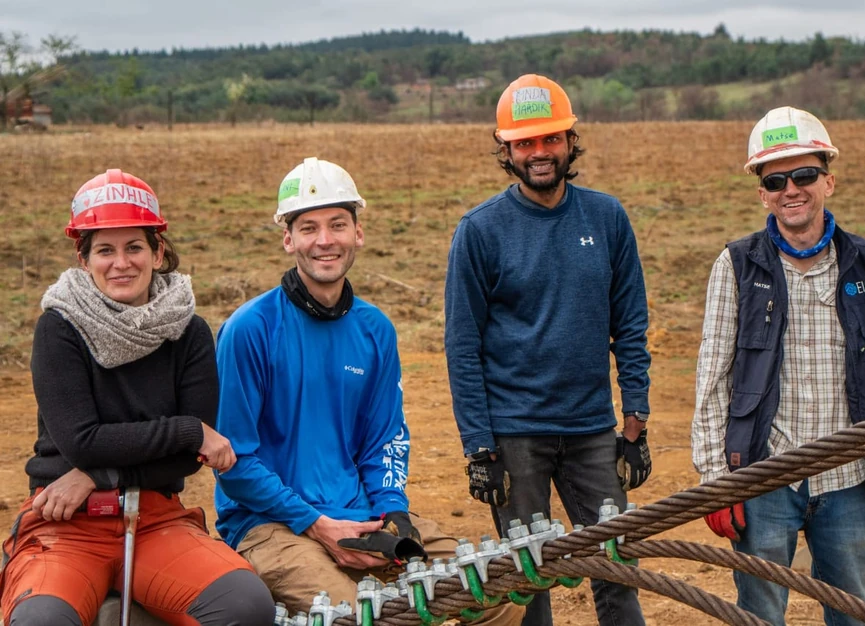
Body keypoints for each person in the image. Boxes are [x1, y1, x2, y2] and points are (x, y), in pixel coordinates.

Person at [212, 158, 523, 624]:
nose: (324, 240)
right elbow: (233, 464)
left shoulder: (375, 329)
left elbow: (385, 439)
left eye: (338, 224)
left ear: (358, 233)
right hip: (270, 526)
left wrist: (393, 513)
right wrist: (317, 525)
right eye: (308, 227)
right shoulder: (249, 330)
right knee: (370, 618)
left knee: (495, 592)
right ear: (288, 239)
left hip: (362, 515)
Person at [0, 169, 275, 626]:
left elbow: (187, 462)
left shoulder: (189, 332)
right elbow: (82, 441)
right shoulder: (59, 327)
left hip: (156, 519)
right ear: (84, 257)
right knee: (41, 621)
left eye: (134, 247)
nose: (121, 263)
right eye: (105, 250)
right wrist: (187, 430)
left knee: (247, 607)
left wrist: (93, 474)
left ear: (158, 251)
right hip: (65, 521)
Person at [691, 106, 865, 626]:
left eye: (804, 175)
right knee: (759, 613)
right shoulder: (735, 265)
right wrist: (715, 480)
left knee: (855, 612)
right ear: (762, 193)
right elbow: (712, 378)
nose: (791, 189)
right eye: (776, 180)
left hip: (847, 480)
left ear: (829, 181)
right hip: (764, 476)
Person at [444, 73, 652, 626]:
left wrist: (635, 425)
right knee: (526, 582)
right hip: (514, 437)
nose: (540, 152)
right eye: (525, 142)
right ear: (506, 149)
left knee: (616, 566)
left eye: (551, 139)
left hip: (590, 431)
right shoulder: (480, 231)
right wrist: (479, 448)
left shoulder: (607, 218)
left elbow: (630, 325)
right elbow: (462, 347)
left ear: (569, 142)